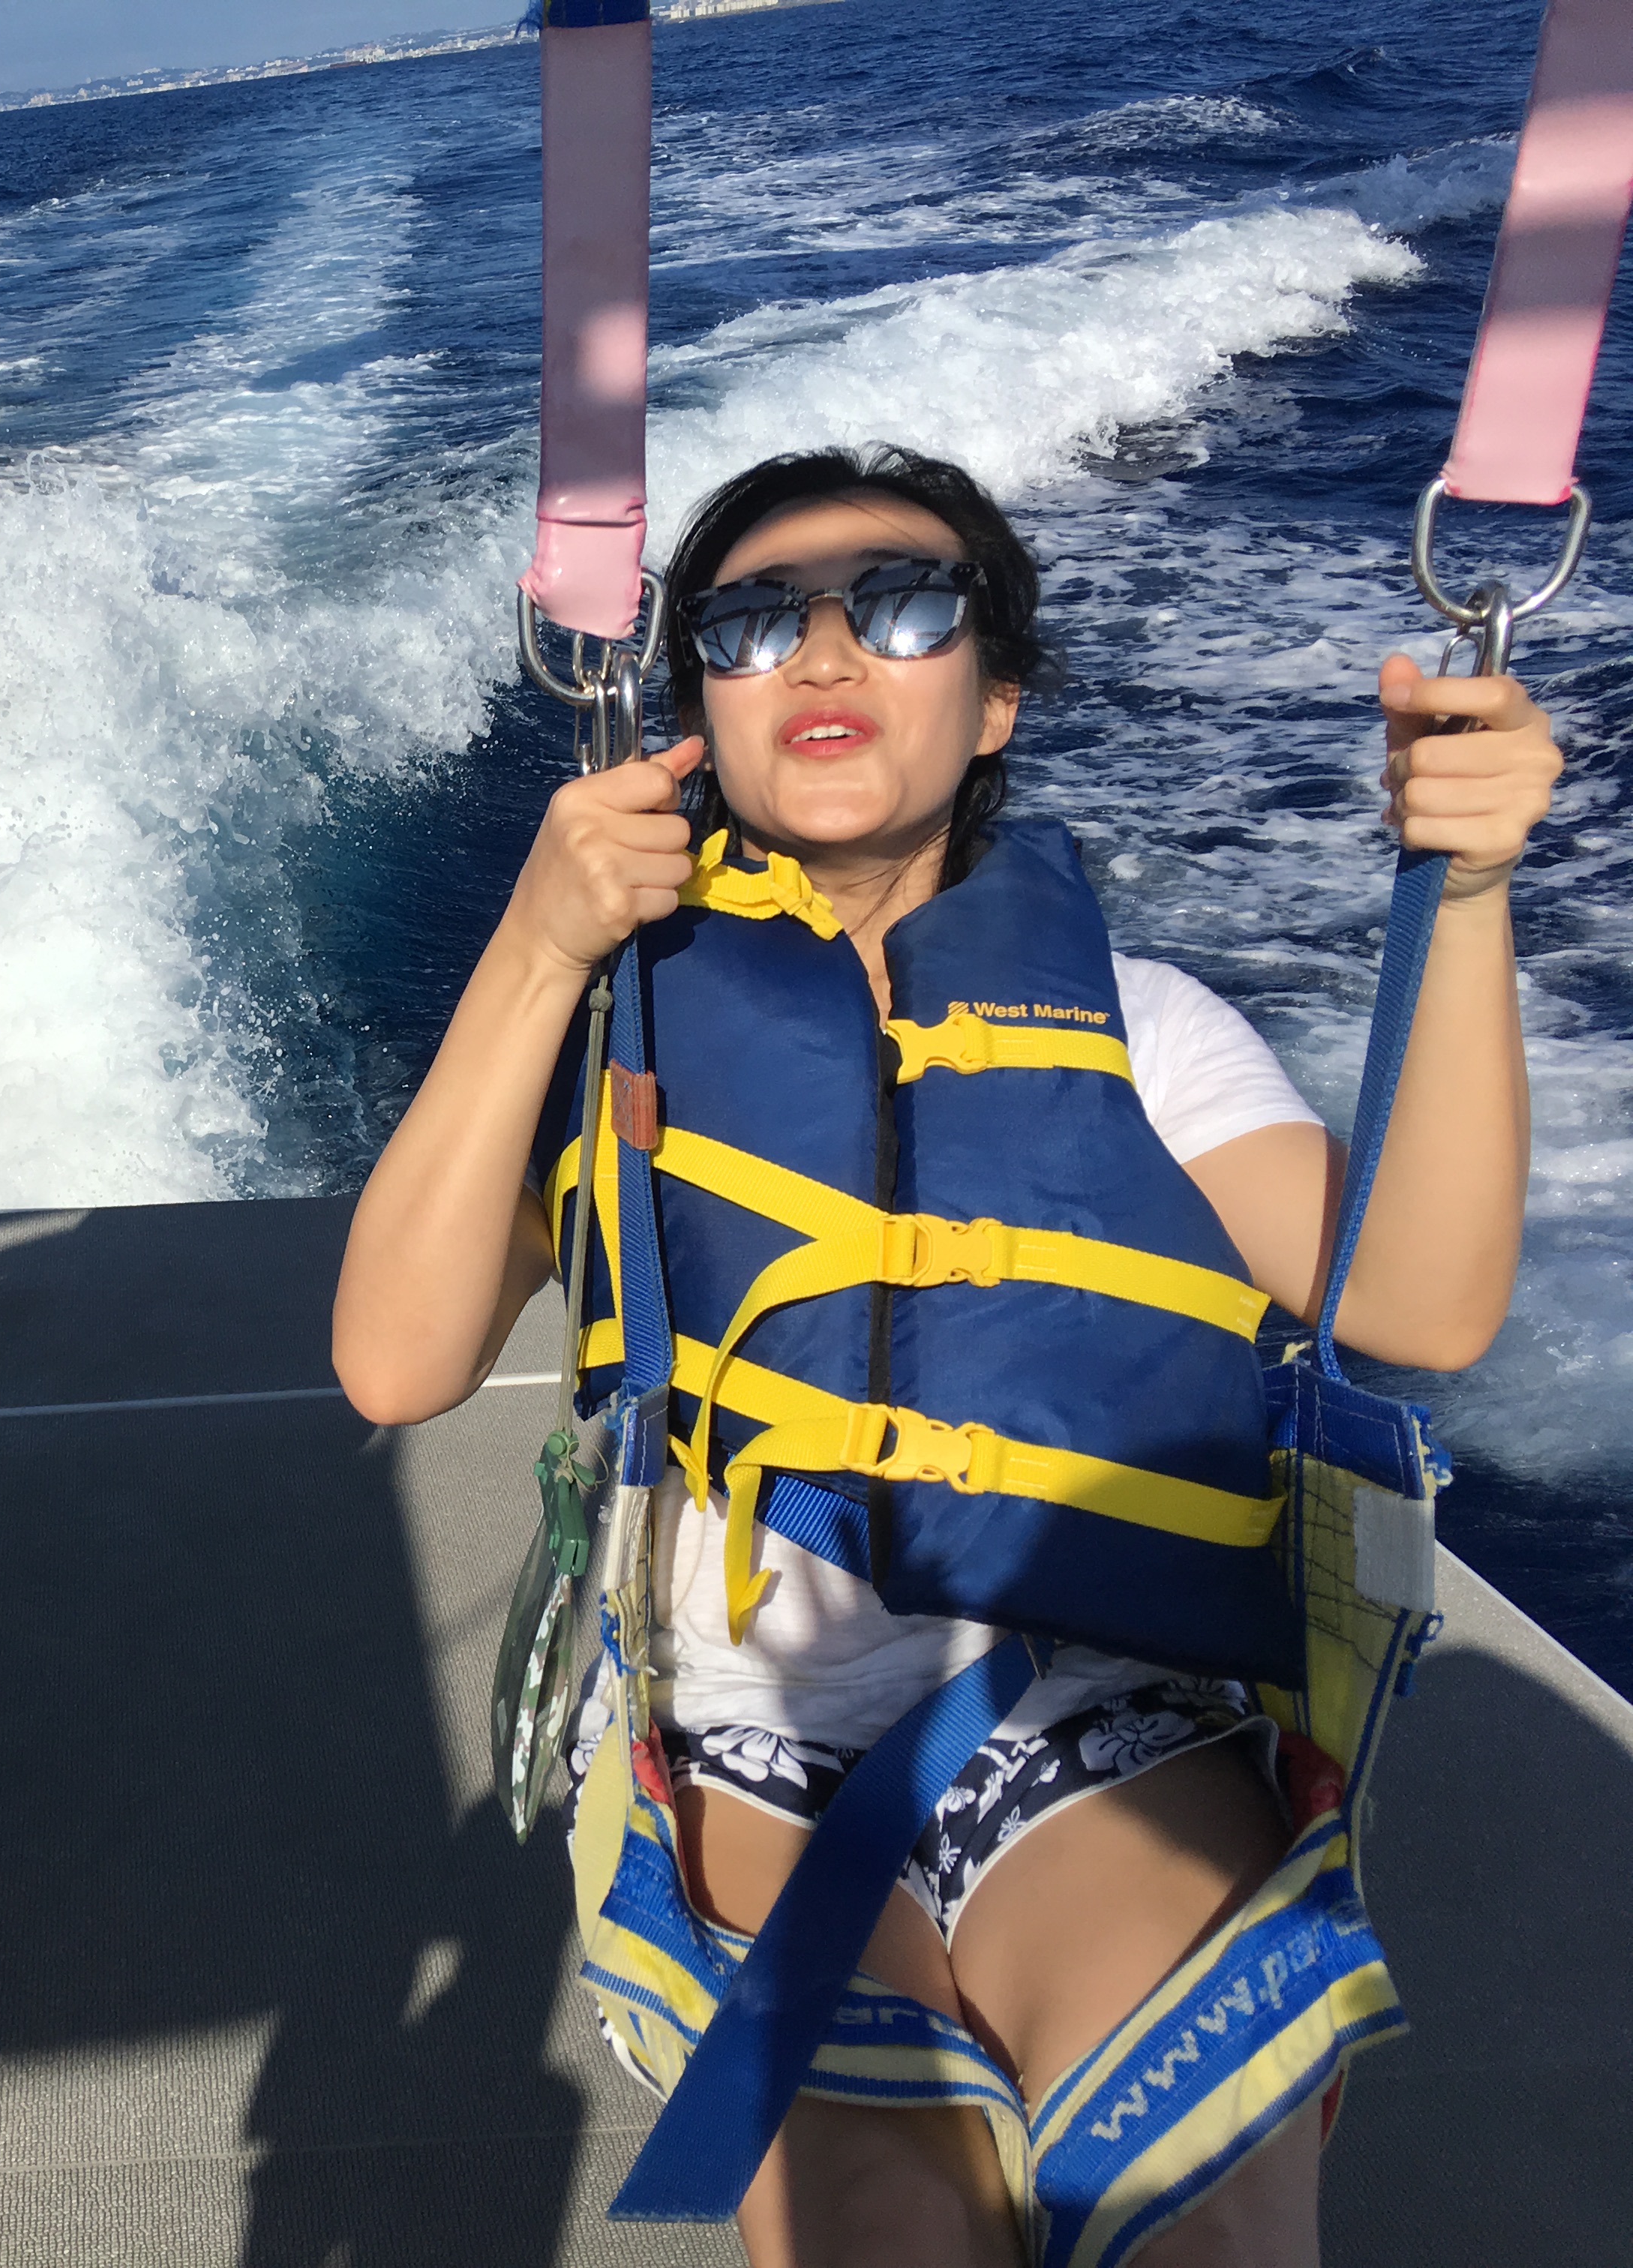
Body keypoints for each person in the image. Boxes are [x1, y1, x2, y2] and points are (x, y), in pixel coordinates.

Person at [332, 445, 1560, 2264]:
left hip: (1096, 1707)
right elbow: (394, 1363)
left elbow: (1420, 1303)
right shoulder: (615, 1048)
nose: (824, 653)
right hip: (743, 1736)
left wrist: (1461, 890)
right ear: (697, 720)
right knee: (885, 2228)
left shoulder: (1145, 1029)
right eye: (753, 625)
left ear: (994, 705)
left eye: (902, 607)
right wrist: (538, 944)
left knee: (1202, 2214)